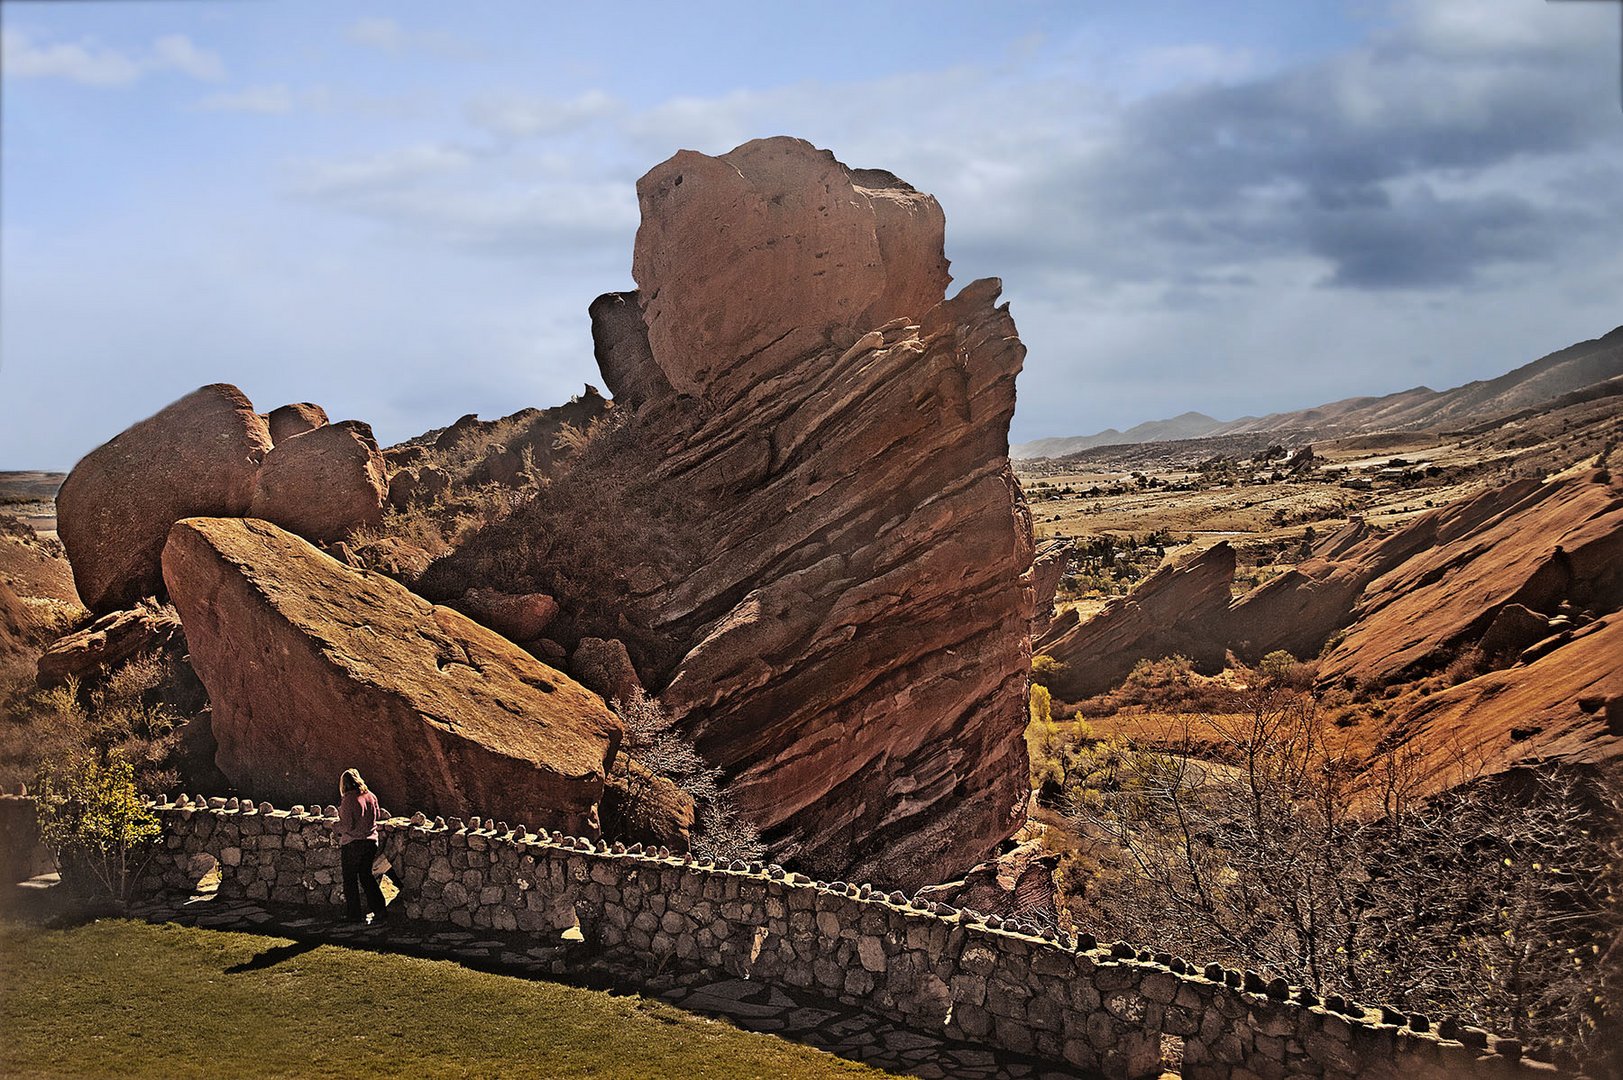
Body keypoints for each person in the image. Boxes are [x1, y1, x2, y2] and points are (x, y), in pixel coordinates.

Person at [334, 768, 388, 924]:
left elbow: (347, 826)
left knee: (350, 880)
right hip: (370, 842)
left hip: (352, 844)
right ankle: (380, 910)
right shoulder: (371, 796)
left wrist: (335, 827)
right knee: (367, 877)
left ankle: (354, 915)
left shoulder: (349, 799)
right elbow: (377, 816)